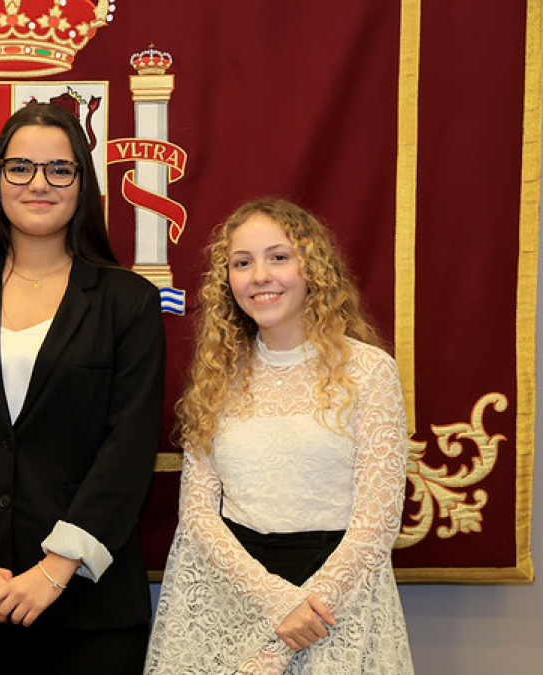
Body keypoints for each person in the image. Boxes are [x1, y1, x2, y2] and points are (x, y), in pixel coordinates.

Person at [0, 103, 166, 674]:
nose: (39, 184)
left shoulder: (129, 303)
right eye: (20, 167)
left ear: (82, 184)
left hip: (90, 606)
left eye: (60, 169)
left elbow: (128, 449)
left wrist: (56, 568)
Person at [145, 198, 414, 673]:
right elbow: (199, 513)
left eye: (278, 257)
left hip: (336, 607)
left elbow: (377, 521)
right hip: (235, 600)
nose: (260, 276)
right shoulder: (218, 376)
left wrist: (303, 612)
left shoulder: (369, 371)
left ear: (313, 269)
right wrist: (274, 602)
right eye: (242, 263)